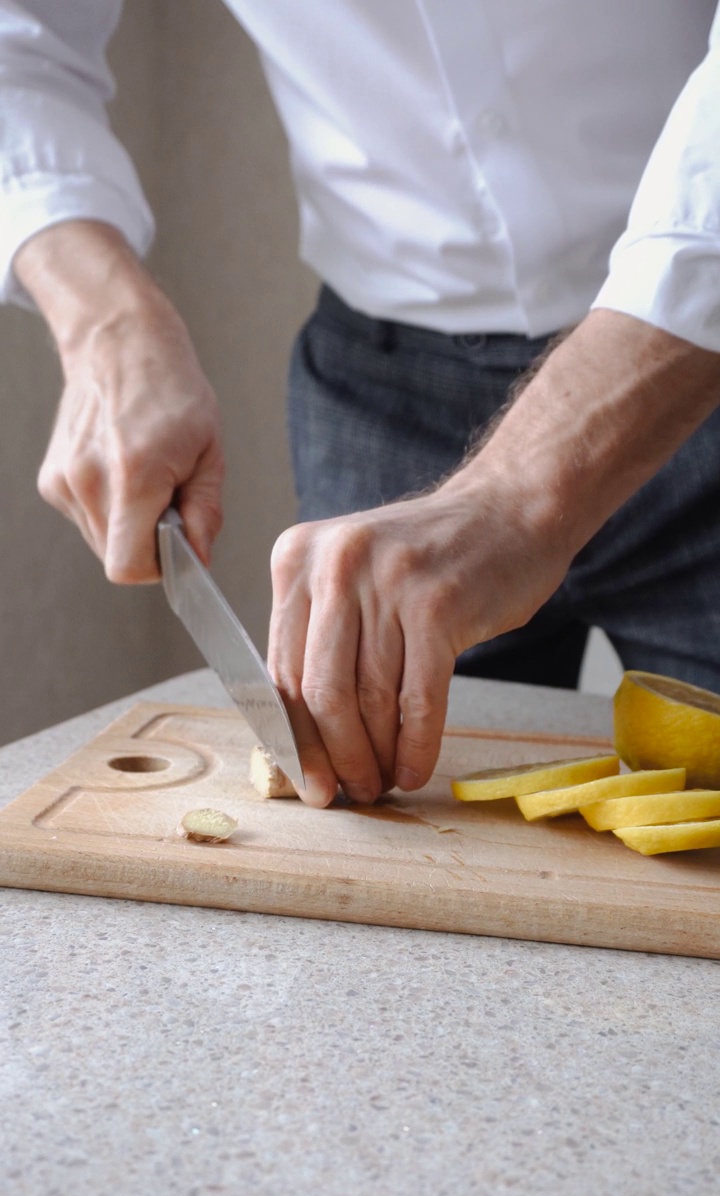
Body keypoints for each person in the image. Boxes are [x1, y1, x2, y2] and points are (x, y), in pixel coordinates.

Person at [2, 2, 720, 808]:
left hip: (699, 363)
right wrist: (107, 323)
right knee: (361, 816)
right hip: (379, 396)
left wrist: (516, 498)